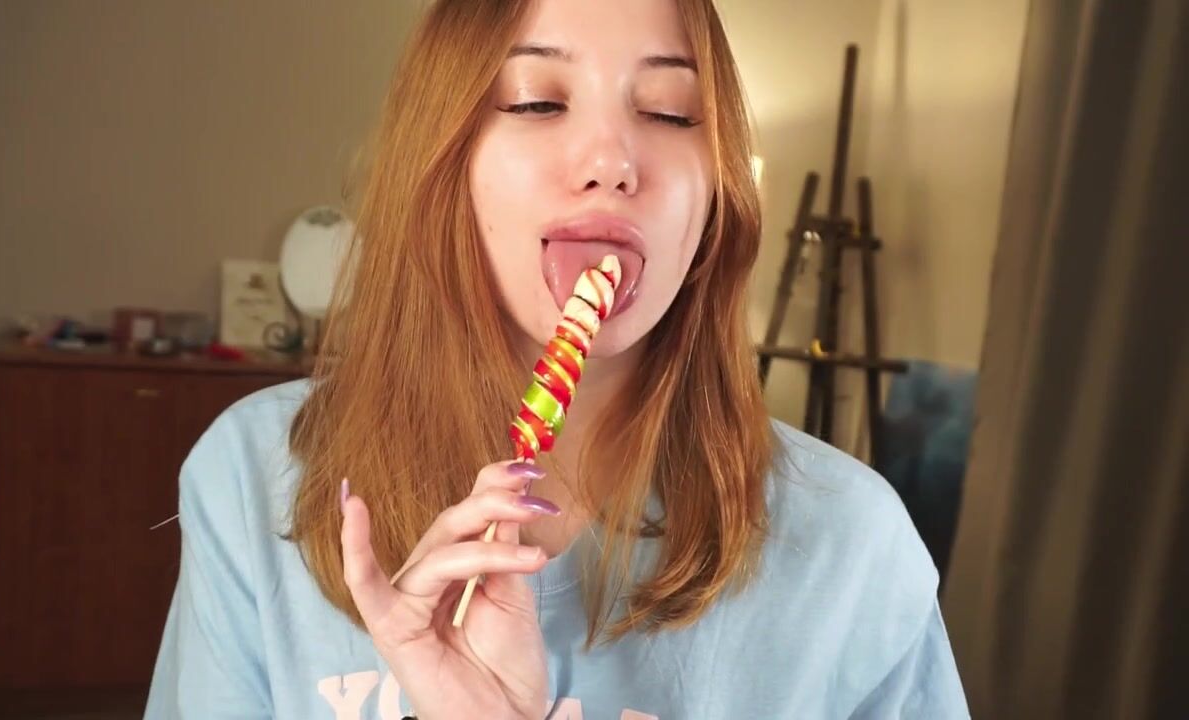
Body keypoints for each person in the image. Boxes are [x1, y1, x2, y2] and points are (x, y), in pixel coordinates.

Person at [144, 0, 969, 717]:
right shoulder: (256, 476)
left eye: (672, 113)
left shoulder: (853, 545)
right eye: (537, 101)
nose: (611, 163)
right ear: (443, 159)